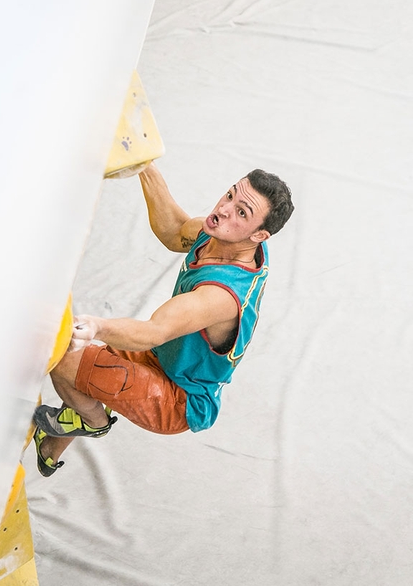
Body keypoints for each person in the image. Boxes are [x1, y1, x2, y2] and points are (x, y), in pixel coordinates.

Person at [33, 163, 294, 476]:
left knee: (63, 356)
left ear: (259, 235)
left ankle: (94, 421)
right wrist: (144, 166)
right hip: (165, 356)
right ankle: (49, 452)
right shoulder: (220, 237)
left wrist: (96, 326)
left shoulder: (220, 297)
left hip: (177, 399)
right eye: (229, 195)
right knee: (90, 369)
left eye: (241, 213)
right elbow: (174, 230)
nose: (224, 209)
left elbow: (154, 331)